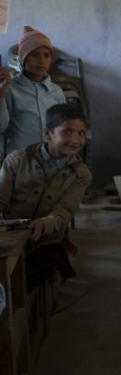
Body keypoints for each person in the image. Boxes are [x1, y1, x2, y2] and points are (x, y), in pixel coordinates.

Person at [0, 103, 91, 291]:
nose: (75, 139)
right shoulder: (18, 160)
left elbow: (63, 211)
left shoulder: (80, 174)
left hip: (44, 242)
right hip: (8, 236)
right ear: (47, 133)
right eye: (67, 132)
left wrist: (43, 224)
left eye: (80, 133)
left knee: (19, 283)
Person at [0, 26, 66, 160]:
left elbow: (61, 128)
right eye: (34, 55)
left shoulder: (56, 92)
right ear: (23, 59)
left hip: (49, 159)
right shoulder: (10, 89)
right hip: (18, 160)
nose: (42, 60)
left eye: (46, 55)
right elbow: (1, 128)